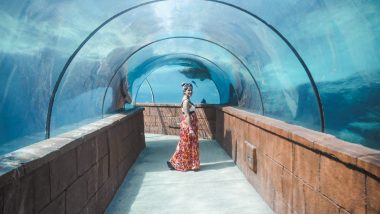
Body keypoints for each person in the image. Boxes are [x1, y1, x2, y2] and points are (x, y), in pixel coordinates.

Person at [167, 82, 200, 171]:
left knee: (187, 145)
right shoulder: (185, 102)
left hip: (190, 125)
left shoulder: (187, 99)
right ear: (184, 91)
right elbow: (187, 116)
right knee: (186, 145)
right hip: (188, 126)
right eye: (188, 90)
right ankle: (179, 163)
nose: (190, 92)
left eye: (191, 90)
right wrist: (190, 129)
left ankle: (187, 164)